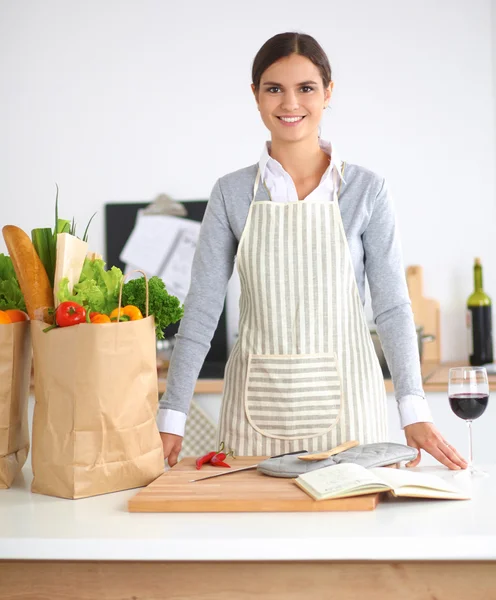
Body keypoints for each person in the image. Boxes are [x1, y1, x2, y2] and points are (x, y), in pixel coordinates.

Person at [158, 32, 467, 471]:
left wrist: (412, 410)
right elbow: (203, 308)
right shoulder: (230, 193)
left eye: (305, 88)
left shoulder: (366, 190)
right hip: (254, 414)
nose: (290, 103)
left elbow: (393, 306)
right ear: (256, 95)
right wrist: (172, 415)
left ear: (328, 93)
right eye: (274, 89)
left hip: (351, 414)